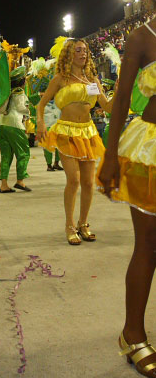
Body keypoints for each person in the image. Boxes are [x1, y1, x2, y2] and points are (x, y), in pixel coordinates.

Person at [97, 0, 156, 378]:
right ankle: (133, 334)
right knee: (148, 247)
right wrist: (110, 155)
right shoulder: (141, 35)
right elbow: (118, 101)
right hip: (150, 151)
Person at [36, 38, 115, 244]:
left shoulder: (93, 80)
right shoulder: (61, 78)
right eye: (79, 50)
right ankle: (69, 225)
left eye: (85, 51)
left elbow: (107, 107)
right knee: (74, 179)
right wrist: (40, 123)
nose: (83, 54)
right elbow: (41, 105)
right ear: (69, 54)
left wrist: (122, 87)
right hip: (66, 131)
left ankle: (83, 223)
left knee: (89, 183)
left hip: (88, 132)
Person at [0, 66, 31, 193]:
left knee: (6, 156)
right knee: (23, 153)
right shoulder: (19, 93)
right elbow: (22, 108)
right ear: (22, 81)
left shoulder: (7, 92)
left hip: (2, 125)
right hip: (15, 126)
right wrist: (30, 109)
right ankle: (20, 181)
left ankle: (3, 185)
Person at [43, 98, 63, 171]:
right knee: (48, 147)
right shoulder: (42, 103)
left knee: (59, 147)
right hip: (47, 127)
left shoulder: (58, 102)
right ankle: (49, 165)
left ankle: (56, 163)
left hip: (58, 127)